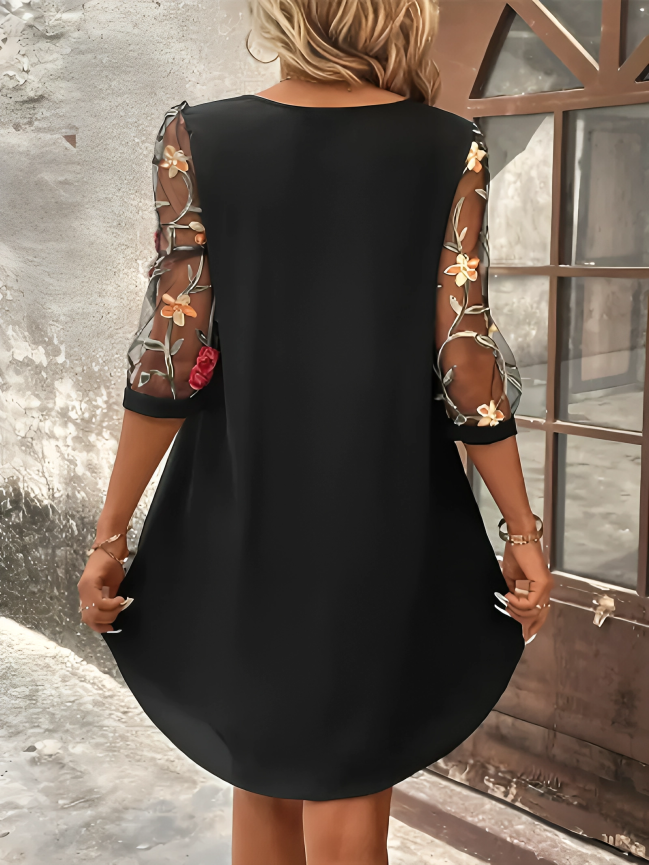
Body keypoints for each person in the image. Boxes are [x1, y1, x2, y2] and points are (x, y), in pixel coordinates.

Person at [77, 1, 553, 862]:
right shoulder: (449, 146)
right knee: (349, 784)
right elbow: (465, 356)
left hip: (239, 504)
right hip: (381, 510)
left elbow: (169, 354)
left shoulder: (195, 137)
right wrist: (519, 530)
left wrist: (111, 536)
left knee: (259, 769)